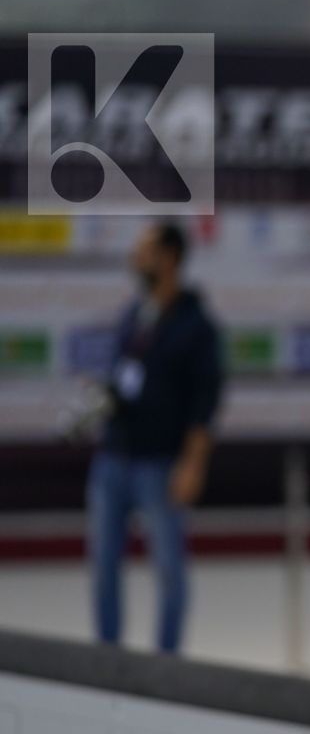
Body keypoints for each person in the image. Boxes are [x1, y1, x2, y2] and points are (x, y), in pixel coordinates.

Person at [88, 221, 224, 653]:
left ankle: (167, 664)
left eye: (144, 250)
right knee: (103, 566)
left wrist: (192, 465)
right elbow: (125, 377)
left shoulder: (197, 326)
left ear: (169, 258)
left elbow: (206, 404)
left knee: (169, 571)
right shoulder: (134, 313)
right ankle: (107, 656)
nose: (135, 258)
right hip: (114, 457)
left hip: (161, 464)